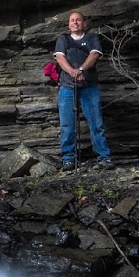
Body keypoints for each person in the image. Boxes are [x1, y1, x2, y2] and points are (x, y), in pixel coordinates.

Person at [53, 11, 114, 170]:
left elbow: (94, 55)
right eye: (72, 20)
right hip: (67, 87)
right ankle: (68, 159)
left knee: (96, 123)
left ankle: (104, 158)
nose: (75, 23)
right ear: (69, 24)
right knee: (67, 124)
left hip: (89, 86)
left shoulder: (92, 38)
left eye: (78, 20)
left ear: (84, 23)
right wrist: (72, 72)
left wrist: (80, 70)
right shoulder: (63, 39)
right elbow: (60, 58)